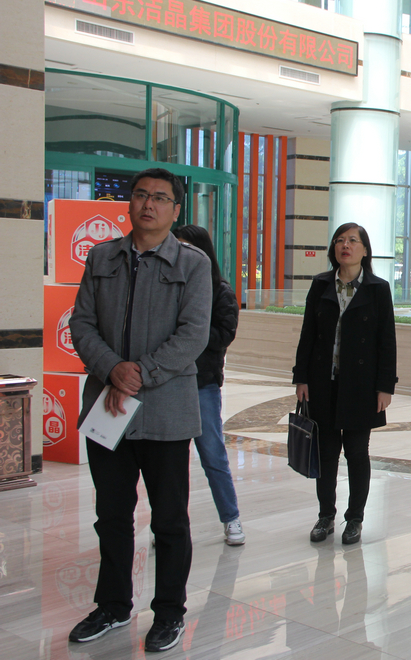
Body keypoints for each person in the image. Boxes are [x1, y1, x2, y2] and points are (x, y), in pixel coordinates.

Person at [68, 168, 212, 652]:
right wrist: (112, 369)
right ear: (129, 203)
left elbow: (193, 334)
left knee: (169, 519)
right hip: (108, 408)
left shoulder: (192, 264)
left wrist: (138, 374)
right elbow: (82, 324)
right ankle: (113, 605)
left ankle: (169, 612)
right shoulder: (101, 256)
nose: (149, 204)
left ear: (176, 209)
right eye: (141, 195)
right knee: (111, 515)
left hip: (165, 412)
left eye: (161, 198)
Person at [293, 223, 397, 546]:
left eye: (353, 240)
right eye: (340, 240)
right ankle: (326, 515)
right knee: (325, 454)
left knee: (356, 452)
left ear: (365, 250)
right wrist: (301, 377)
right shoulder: (321, 284)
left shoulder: (378, 289)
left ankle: (355, 518)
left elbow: (387, 341)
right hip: (323, 383)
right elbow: (308, 334)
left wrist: (385, 386)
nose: (345, 245)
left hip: (361, 386)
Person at [174, 225, 245, 545]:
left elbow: (223, 335)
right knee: (170, 462)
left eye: (187, 247)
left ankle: (231, 518)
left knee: (213, 455)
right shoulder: (167, 285)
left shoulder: (220, 291)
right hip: (168, 383)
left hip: (202, 383)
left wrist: (189, 334)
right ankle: (170, 524)